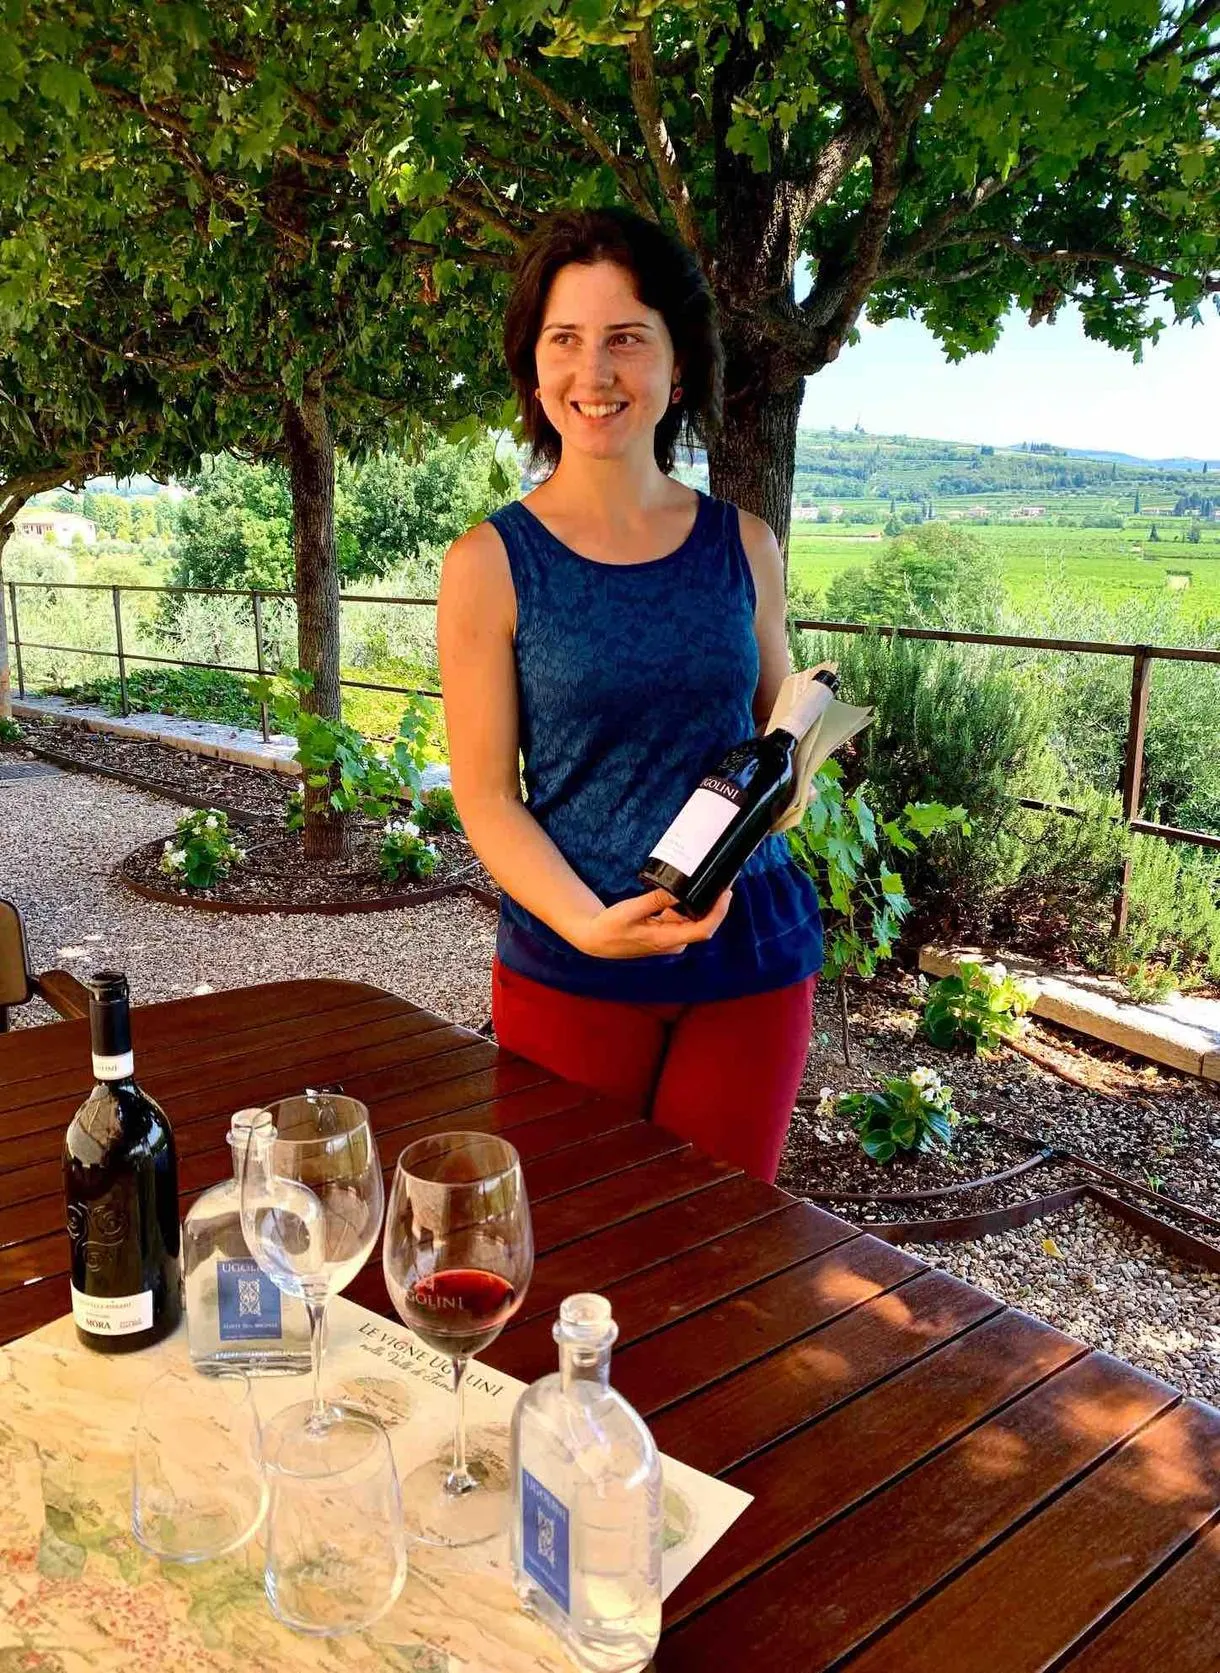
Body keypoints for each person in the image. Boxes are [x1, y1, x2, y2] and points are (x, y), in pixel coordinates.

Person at [437, 207, 824, 1185]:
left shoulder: (746, 546)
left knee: (721, 1243)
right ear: (534, 370)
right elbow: (487, 794)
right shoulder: (488, 564)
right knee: (575, 1244)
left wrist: (798, 775)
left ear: (677, 365)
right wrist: (584, 924)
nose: (593, 371)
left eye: (625, 339)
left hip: (749, 959)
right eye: (564, 339)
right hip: (572, 965)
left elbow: (774, 729)